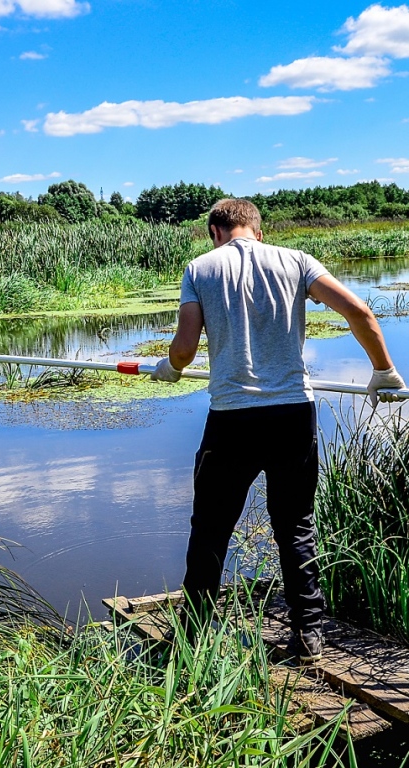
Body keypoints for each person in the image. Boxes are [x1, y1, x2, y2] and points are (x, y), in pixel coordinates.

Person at [148, 198, 405, 662]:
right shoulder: (298, 262)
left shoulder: (199, 268)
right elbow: (360, 312)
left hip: (233, 418)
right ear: (258, 231)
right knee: (295, 527)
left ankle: (193, 635)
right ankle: (309, 634)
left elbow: (185, 348)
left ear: (215, 233)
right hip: (292, 414)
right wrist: (384, 370)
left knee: (210, 529)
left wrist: (169, 366)